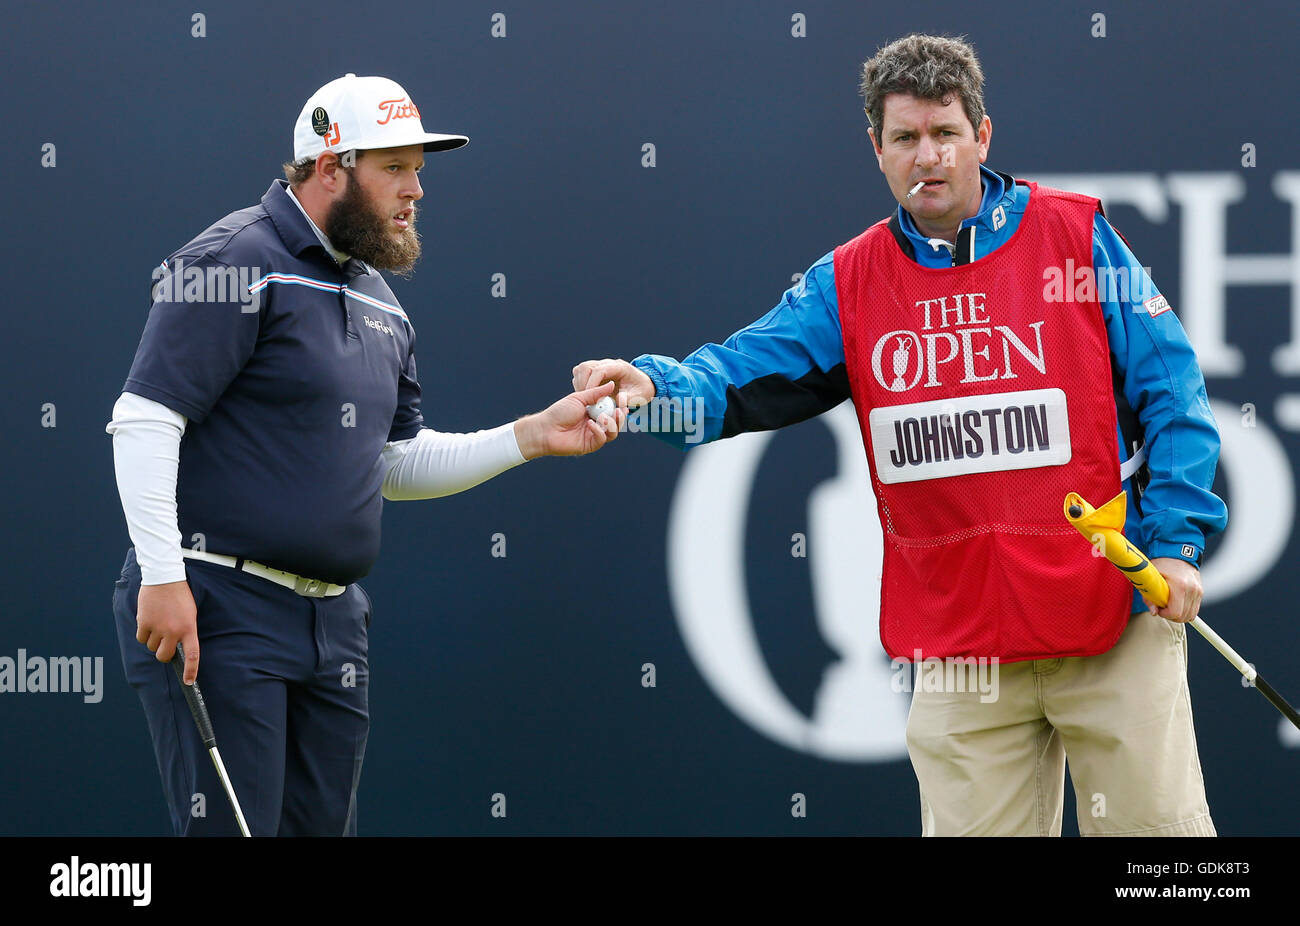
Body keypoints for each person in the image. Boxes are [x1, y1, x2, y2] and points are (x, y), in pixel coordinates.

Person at [573, 34, 1227, 836]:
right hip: (965, 649)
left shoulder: (1076, 235)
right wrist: (652, 388)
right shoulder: (848, 282)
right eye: (906, 138)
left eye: (946, 134)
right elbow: (738, 375)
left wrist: (1174, 545)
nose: (929, 156)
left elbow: (1176, 396)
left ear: (981, 138)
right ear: (876, 149)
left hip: (1112, 618)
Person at [108, 73, 625, 836]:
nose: (416, 189)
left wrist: (529, 437)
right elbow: (145, 418)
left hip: (333, 625)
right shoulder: (233, 257)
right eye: (395, 168)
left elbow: (389, 464)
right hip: (219, 608)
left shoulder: (382, 301)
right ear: (329, 168)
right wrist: (161, 576)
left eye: (418, 167)